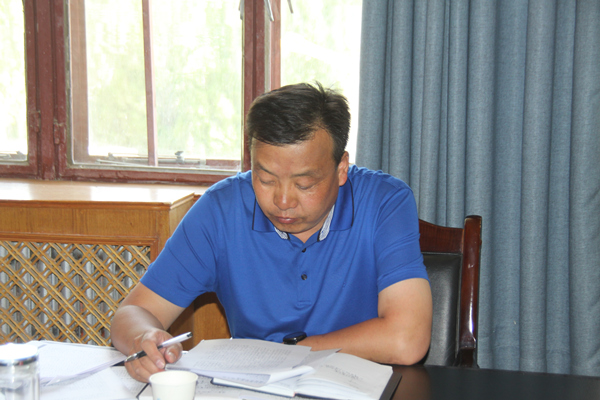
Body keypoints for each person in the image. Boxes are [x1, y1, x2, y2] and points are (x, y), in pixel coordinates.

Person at [110, 82, 432, 382]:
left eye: (304, 184)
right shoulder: (221, 211)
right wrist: (143, 338)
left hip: (355, 386)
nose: (282, 200)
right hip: (256, 389)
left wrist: (290, 354)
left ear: (341, 169)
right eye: (265, 179)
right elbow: (134, 312)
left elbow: (408, 340)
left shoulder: (384, 202)